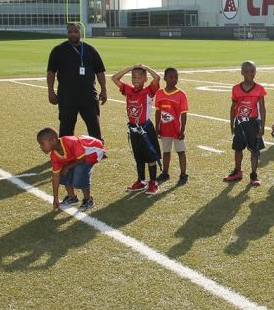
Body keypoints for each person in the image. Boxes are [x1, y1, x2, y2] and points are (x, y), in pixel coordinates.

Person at [47, 23, 107, 140]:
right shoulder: (58, 50)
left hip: (88, 95)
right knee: (66, 127)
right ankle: (65, 151)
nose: (73, 34)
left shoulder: (90, 50)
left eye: (75, 31)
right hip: (67, 96)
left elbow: (100, 72)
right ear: (67, 33)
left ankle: (98, 149)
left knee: (94, 125)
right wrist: (50, 91)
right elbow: (51, 72)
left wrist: (104, 90)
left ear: (81, 33)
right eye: (70, 32)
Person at [111, 64, 162, 194]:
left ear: (145, 79)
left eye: (140, 77)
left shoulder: (149, 91)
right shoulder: (128, 90)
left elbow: (157, 77)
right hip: (133, 129)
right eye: (134, 77)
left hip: (145, 129)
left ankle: (153, 182)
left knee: (150, 157)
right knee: (138, 157)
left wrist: (145, 67)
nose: (136, 80)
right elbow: (114, 78)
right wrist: (129, 68)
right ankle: (141, 181)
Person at [37, 127, 106, 212]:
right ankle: (72, 197)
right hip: (80, 155)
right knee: (62, 173)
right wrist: (56, 197)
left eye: (42, 143)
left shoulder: (70, 142)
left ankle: (88, 199)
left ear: (53, 141)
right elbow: (55, 176)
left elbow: (82, 159)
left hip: (94, 150)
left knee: (80, 172)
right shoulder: (54, 155)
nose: (40, 147)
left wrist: (68, 167)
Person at [225, 60, 267, 186]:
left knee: (254, 150)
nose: (250, 74)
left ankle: (253, 175)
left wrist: (262, 125)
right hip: (240, 124)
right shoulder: (236, 88)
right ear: (242, 72)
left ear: (255, 72)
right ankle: (237, 171)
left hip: (253, 123)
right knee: (238, 148)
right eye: (247, 71)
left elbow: (262, 108)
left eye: (252, 71)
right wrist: (232, 123)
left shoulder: (259, 89)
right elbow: (233, 108)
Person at [154, 67, 190, 186]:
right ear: (164, 78)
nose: (174, 79)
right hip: (165, 129)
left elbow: (184, 114)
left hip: (177, 129)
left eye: (176, 77)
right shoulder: (159, 93)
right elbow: (158, 111)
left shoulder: (181, 94)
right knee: (166, 152)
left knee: (181, 151)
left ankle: (183, 173)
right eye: (171, 77)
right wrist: (157, 127)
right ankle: (165, 172)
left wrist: (182, 129)